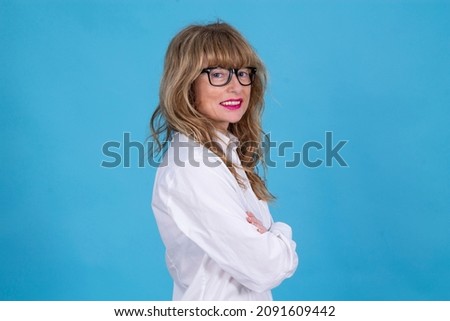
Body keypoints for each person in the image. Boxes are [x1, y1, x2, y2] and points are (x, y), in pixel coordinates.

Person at [150, 21, 298, 301]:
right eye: (218, 74)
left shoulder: (226, 153)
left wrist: (266, 239)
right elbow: (266, 268)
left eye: (243, 73)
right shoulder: (194, 166)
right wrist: (278, 234)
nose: (236, 87)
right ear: (187, 83)